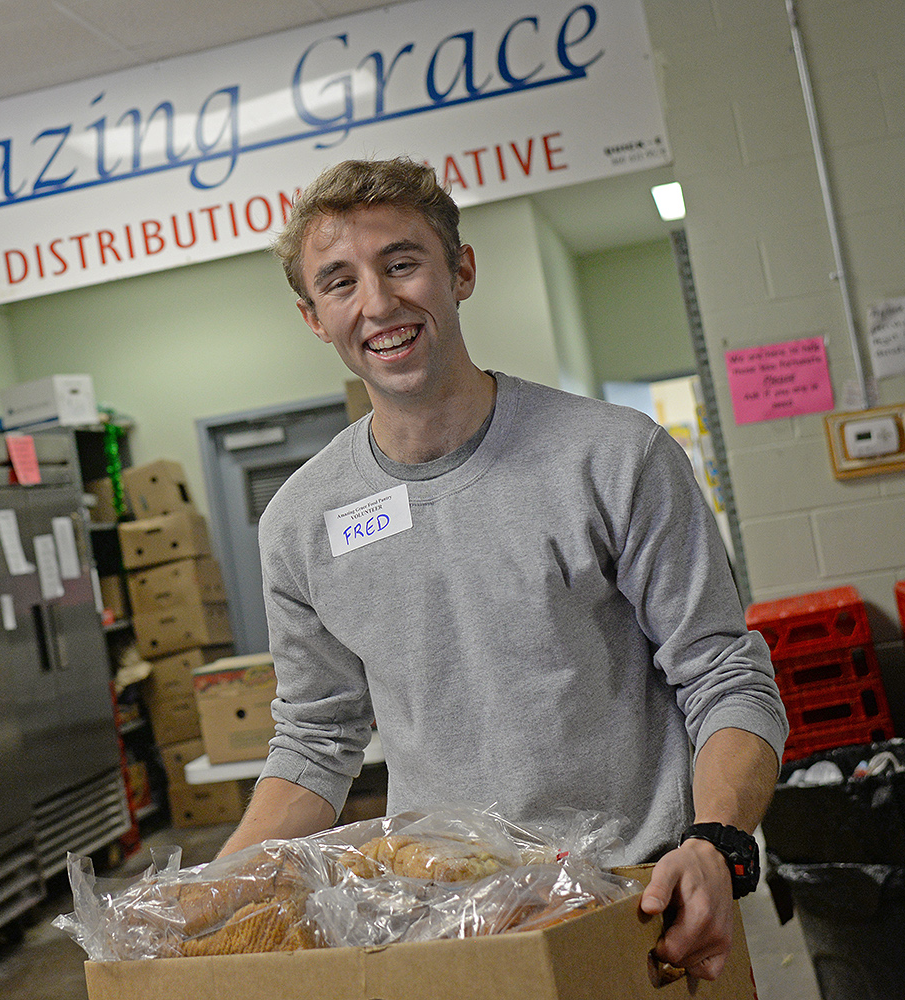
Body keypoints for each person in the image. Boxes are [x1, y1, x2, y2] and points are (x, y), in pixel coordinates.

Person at [217, 156, 788, 981]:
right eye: (340, 282)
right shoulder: (301, 524)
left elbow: (724, 676)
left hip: (643, 905)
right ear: (314, 317)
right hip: (451, 923)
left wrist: (716, 841)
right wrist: (211, 895)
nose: (378, 303)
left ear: (462, 271)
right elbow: (315, 739)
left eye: (402, 263)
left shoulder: (613, 457)